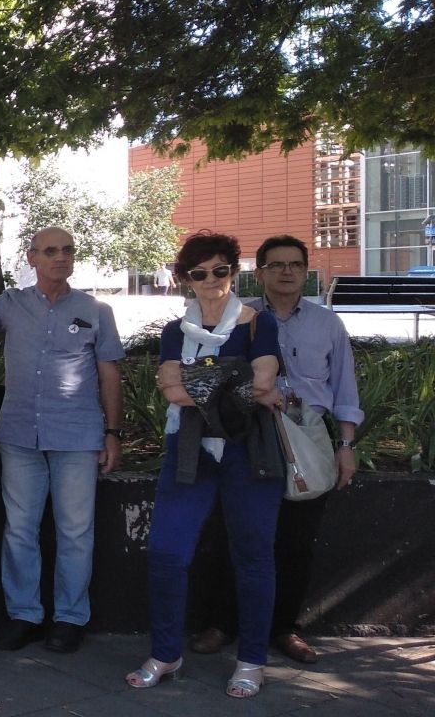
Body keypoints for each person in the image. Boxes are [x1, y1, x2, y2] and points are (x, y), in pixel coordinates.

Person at [186, 235, 360, 664]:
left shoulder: (327, 324)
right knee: (233, 534)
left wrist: (346, 445)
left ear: (306, 270)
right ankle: (222, 623)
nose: (287, 271)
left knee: (296, 541)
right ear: (258, 272)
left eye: (295, 264)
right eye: (277, 264)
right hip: (248, 434)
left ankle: (284, 628)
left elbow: (344, 388)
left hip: (307, 437)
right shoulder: (237, 317)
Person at [126, 231, 284, 698]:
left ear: (234, 272)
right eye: (199, 273)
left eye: (221, 270)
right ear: (185, 279)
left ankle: (253, 660)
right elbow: (175, 391)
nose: (211, 280)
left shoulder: (259, 324)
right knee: (166, 553)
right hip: (188, 448)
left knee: (254, 557)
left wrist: (196, 383)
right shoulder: (176, 331)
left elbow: (263, 381)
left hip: (248, 450)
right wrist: (232, 379)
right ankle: (166, 651)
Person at [0, 227, 124, 655]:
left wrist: (113, 433)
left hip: (77, 435)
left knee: (75, 531)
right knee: (20, 529)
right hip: (19, 434)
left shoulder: (95, 309)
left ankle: (70, 619)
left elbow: (110, 373)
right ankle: (24, 615)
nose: (60, 257)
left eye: (67, 250)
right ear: (31, 257)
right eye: (50, 251)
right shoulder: (12, 304)